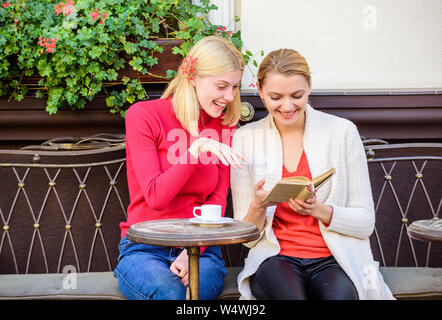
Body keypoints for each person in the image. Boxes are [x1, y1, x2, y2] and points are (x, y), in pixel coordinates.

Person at [230, 48, 394, 300]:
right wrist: (258, 205)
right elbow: (247, 238)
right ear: (260, 92)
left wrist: (319, 210)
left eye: (297, 95)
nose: (287, 106)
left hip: (335, 258)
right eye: (275, 97)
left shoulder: (342, 132)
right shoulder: (245, 138)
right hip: (275, 258)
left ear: (309, 87)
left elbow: (365, 223)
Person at [114, 36, 245, 300]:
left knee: (191, 293)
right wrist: (196, 149)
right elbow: (156, 197)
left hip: (203, 249)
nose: (229, 97)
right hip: (144, 248)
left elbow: (217, 201)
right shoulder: (144, 116)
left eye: (234, 87)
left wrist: (191, 251)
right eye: (221, 86)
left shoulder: (224, 124)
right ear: (193, 76)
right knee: (172, 295)